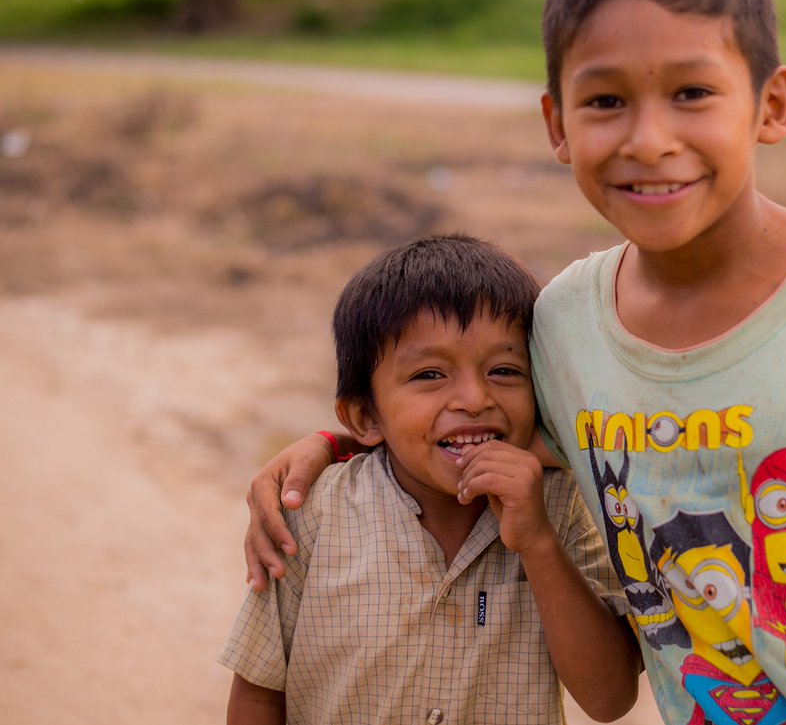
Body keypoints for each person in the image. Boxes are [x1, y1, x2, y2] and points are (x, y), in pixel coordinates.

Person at [242, 0, 786, 723]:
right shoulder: (564, 326)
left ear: (772, 104)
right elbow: (478, 422)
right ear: (557, 123)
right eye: (607, 101)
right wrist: (329, 447)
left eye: (692, 92)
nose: (649, 141)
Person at [220, 234, 641, 725]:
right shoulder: (314, 516)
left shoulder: (563, 505)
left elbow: (610, 699)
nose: (474, 398)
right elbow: (257, 691)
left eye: (505, 370)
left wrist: (539, 543)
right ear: (363, 416)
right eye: (428, 375)